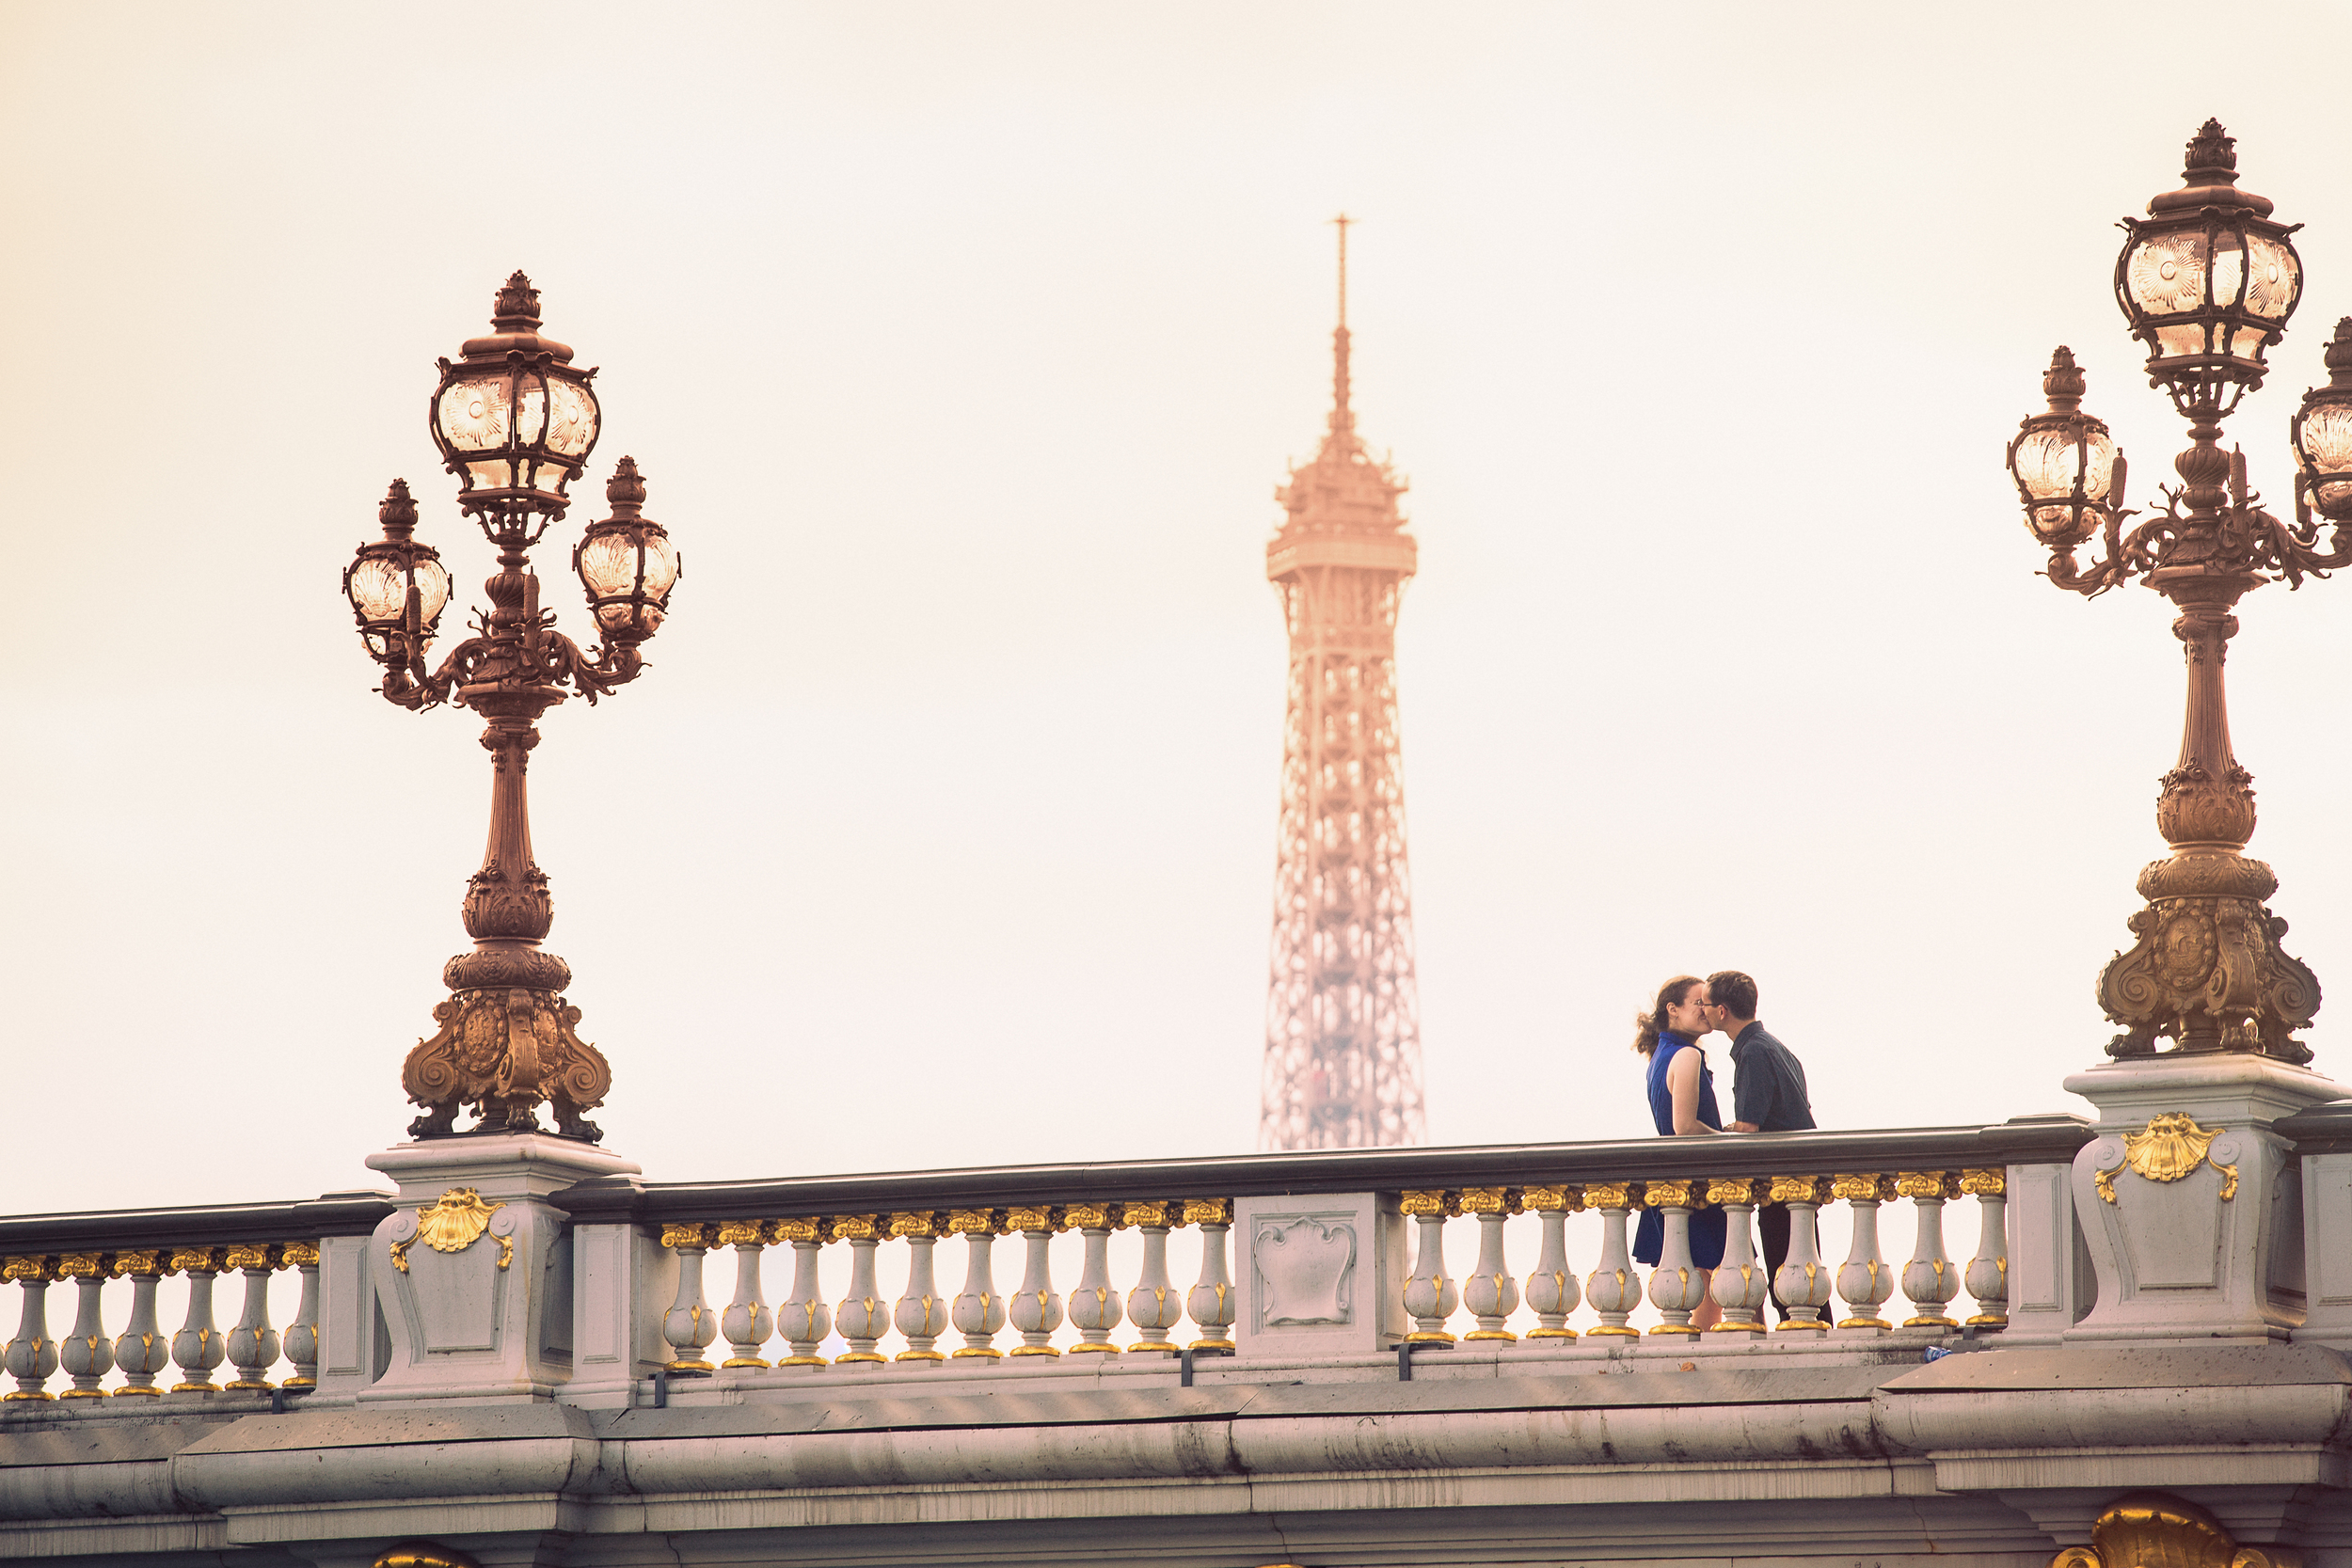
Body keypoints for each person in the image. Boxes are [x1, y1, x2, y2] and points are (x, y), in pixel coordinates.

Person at [1706, 969, 1816, 1325]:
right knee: (1805, 1277)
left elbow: (1749, 1129)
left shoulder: (1753, 1053)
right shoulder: (1777, 1047)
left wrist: (1716, 1132)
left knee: (1788, 1278)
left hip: (1782, 1185)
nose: (1702, 1010)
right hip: (1800, 1179)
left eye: (1705, 1004)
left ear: (1722, 1011)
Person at [1629, 974, 1724, 1330]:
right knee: (1726, 1277)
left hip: (1676, 1180)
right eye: (1699, 1002)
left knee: (1709, 1278)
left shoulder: (1661, 1056)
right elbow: (1684, 1127)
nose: (1708, 1010)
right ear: (1673, 1009)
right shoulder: (1685, 1055)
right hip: (1698, 1181)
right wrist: (1727, 1141)